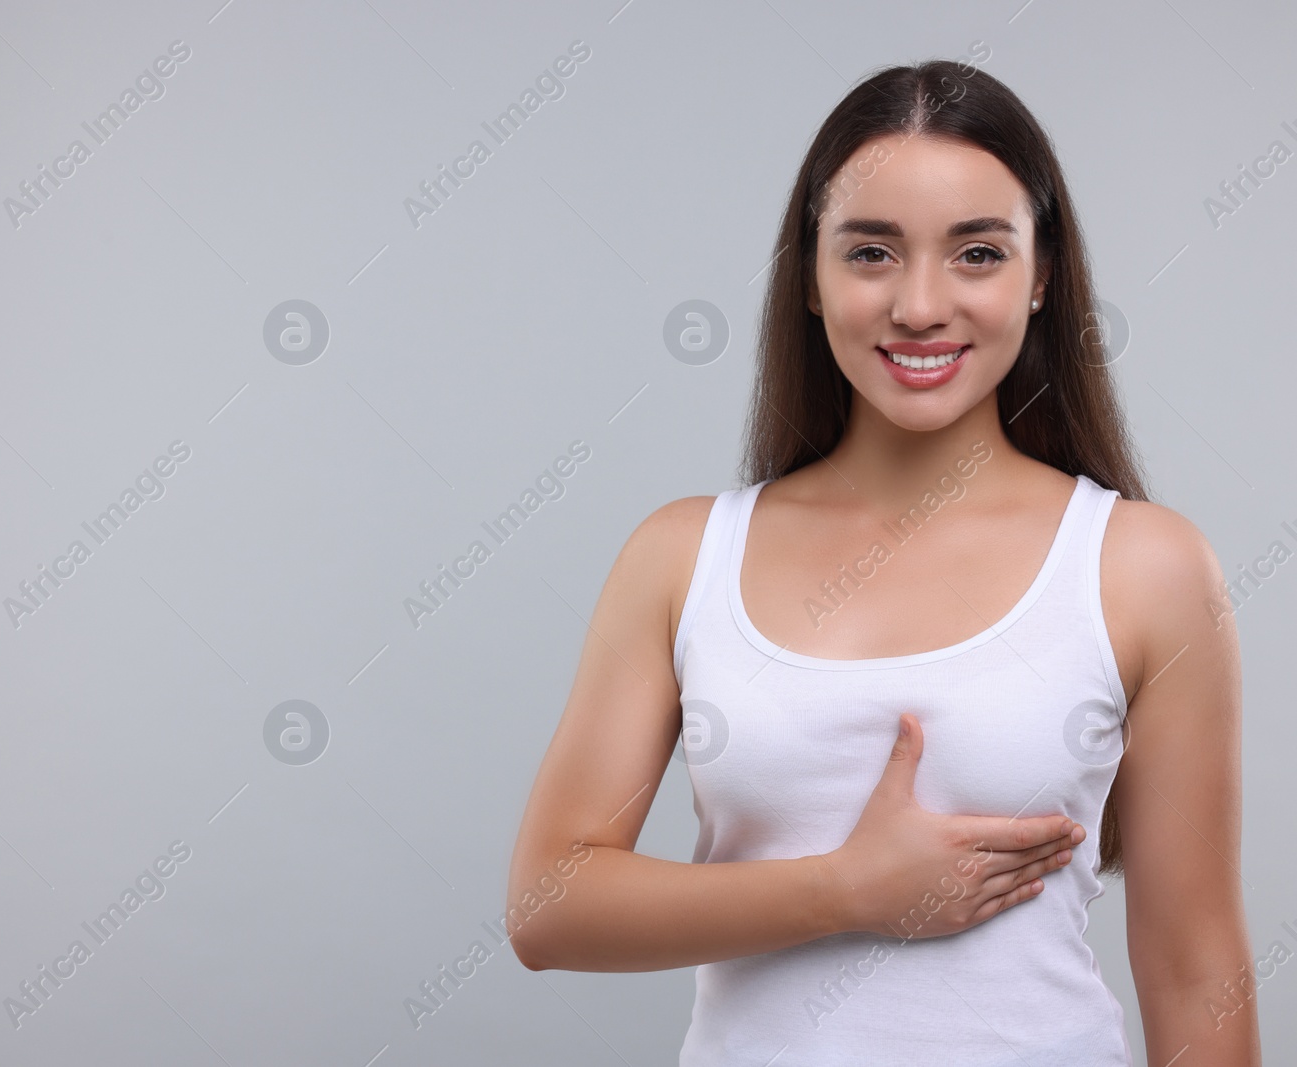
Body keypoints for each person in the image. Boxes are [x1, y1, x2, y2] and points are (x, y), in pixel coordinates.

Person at [504, 59, 1259, 1065]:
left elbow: (1195, 970)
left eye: (976, 254)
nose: (918, 304)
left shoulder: (1145, 567)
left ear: (1041, 277)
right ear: (811, 280)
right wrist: (845, 889)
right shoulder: (682, 555)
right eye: (870, 252)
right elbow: (546, 906)